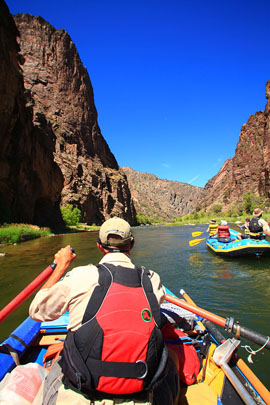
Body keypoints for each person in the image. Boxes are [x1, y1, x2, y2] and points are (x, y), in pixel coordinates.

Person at [29, 217, 180, 405]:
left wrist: (61, 267)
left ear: (99, 246)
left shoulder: (80, 276)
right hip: (138, 396)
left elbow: (36, 310)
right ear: (131, 244)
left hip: (81, 393)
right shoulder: (153, 280)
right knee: (171, 358)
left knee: (58, 360)